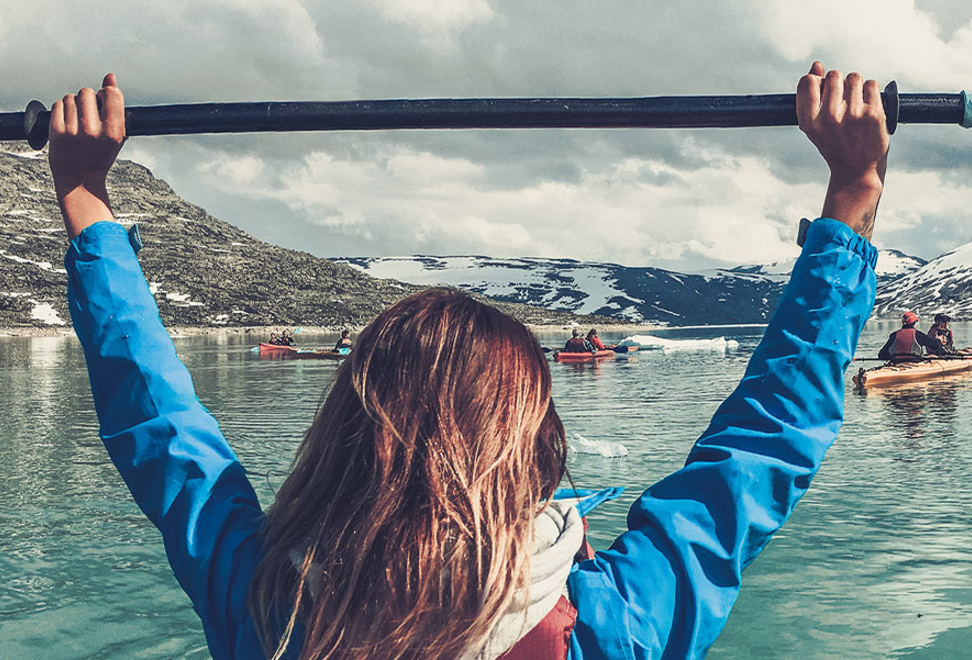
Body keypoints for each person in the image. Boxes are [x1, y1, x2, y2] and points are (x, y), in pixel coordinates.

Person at [48, 61, 885, 660]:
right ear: (530, 441)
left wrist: (84, 195)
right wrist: (852, 193)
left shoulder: (264, 602)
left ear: (345, 431)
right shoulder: (607, 626)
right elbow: (765, 443)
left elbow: (156, 422)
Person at [877, 311, 945, 362]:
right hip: (914, 362)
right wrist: (938, 339)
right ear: (915, 323)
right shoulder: (918, 335)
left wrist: (891, 357)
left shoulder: (894, 335)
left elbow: (881, 355)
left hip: (896, 362)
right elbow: (934, 345)